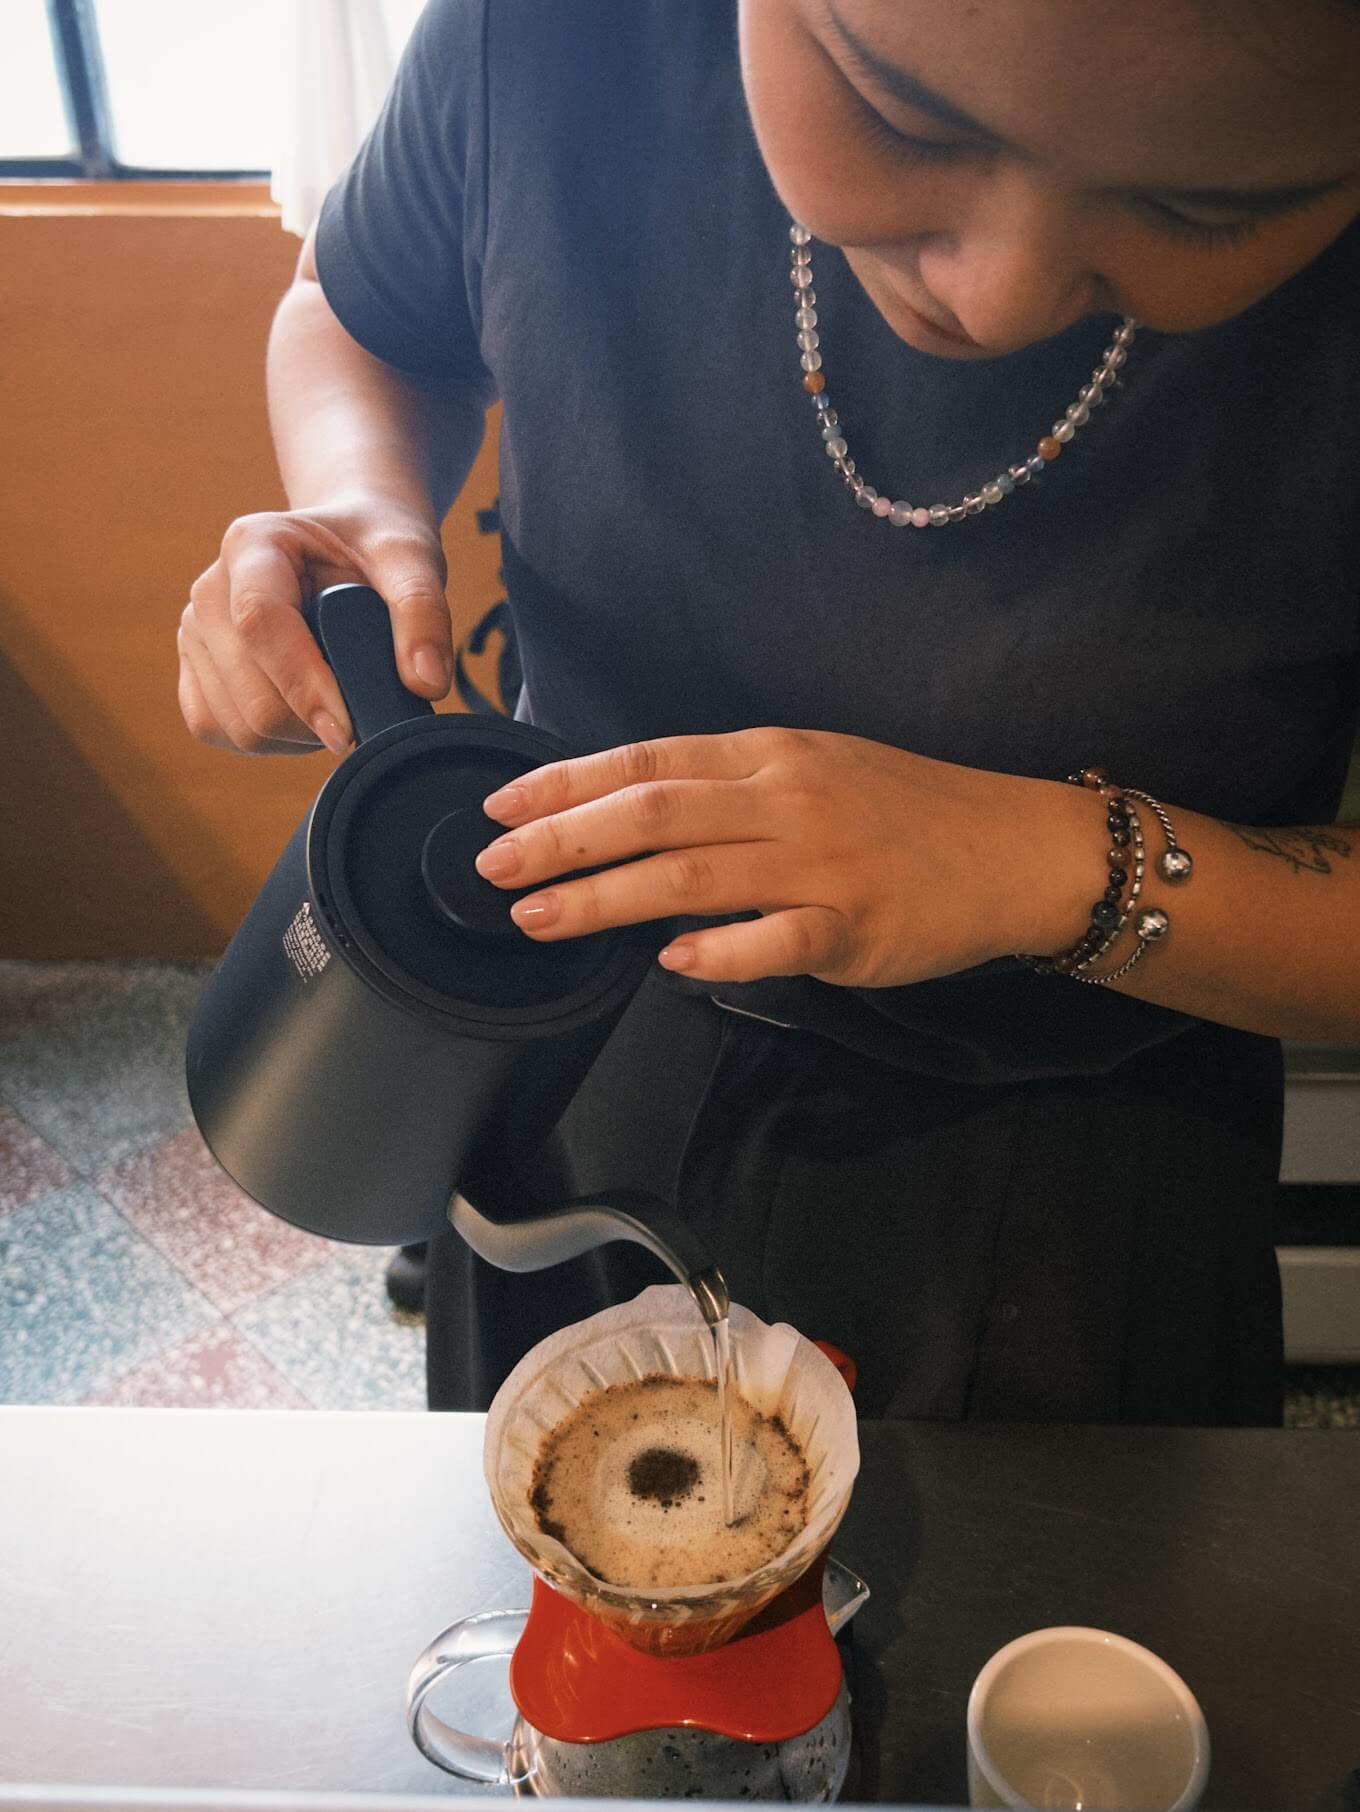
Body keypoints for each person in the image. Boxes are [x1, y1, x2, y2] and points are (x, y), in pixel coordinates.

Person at [178, 0, 1360, 1424]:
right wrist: (360, 502)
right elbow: (362, 313)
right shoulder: (553, 38)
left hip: (1094, 1143)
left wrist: (1045, 867)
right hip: (579, 1048)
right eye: (902, 116)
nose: (996, 295)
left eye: (1203, 210)